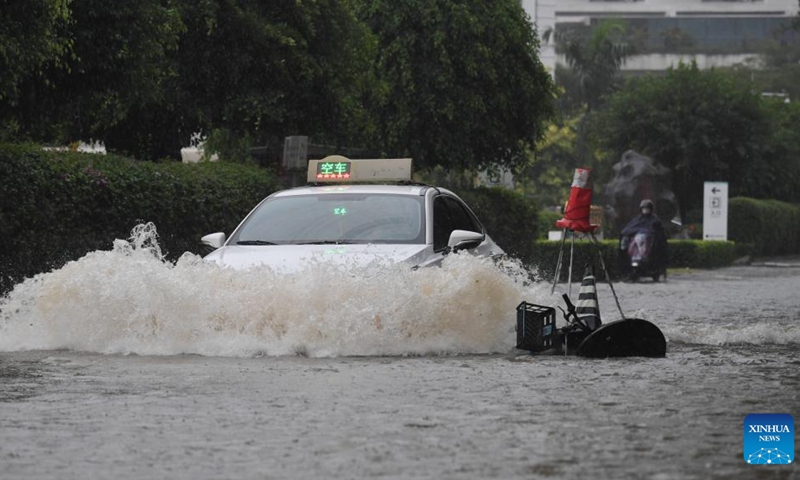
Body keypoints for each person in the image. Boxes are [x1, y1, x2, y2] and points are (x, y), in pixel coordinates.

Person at [619, 199, 668, 281]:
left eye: (647, 209)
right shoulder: (638, 219)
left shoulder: (655, 221)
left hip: (649, 246)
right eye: (644, 209)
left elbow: (658, 233)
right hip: (634, 245)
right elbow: (628, 229)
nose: (645, 211)